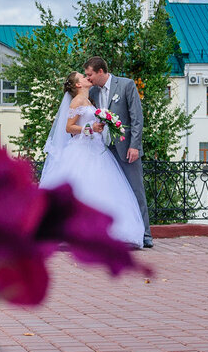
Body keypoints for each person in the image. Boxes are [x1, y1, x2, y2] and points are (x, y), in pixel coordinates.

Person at [38, 72, 144, 249]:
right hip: (80, 150)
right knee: (83, 189)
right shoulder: (77, 101)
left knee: (102, 190)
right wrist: (91, 128)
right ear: (78, 85)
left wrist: (101, 127)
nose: (87, 77)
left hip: (96, 149)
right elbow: (69, 128)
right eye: (82, 76)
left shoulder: (90, 101)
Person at [84, 56, 151, 248]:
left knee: (136, 191)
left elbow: (137, 118)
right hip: (104, 149)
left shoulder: (126, 85)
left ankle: (145, 235)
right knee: (113, 194)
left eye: (90, 75)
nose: (89, 79)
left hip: (126, 148)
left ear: (100, 71)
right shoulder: (94, 92)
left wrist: (135, 146)